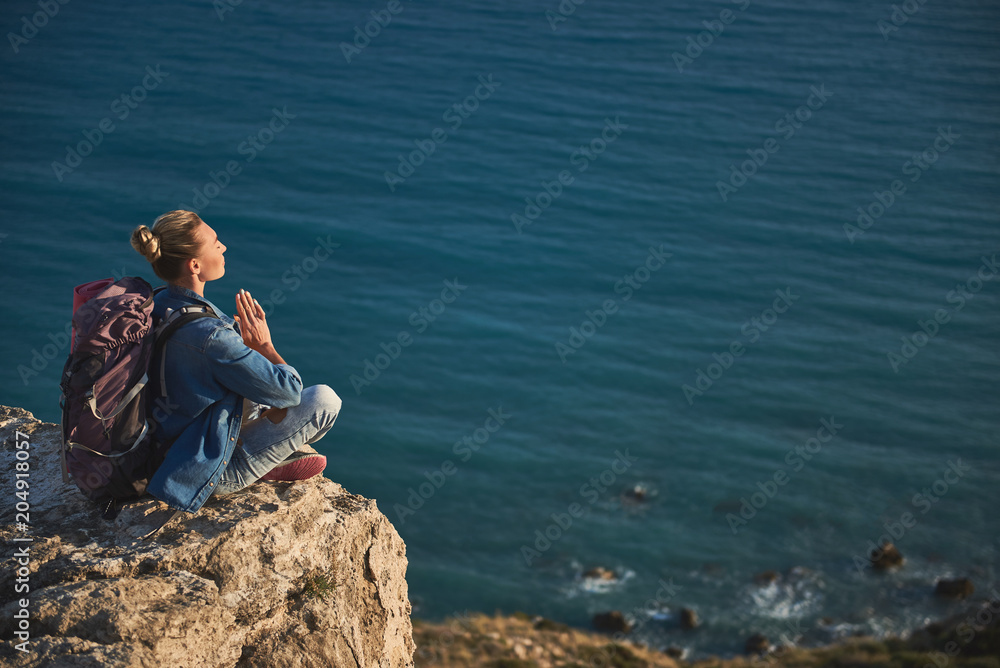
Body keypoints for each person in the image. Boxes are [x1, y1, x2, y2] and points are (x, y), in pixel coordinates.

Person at [129, 209, 342, 513]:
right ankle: (265, 462)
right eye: (215, 242)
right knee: (324, 400)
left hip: (159, 450)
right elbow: (290, 392)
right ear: (194, 265)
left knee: (251, 379)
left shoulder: (158, 302)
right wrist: (265, 346)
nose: (223, 247)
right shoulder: (212, 336)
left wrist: (241, 349)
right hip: (204, 470)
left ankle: (265, 449)